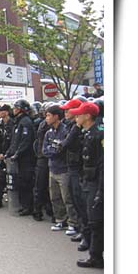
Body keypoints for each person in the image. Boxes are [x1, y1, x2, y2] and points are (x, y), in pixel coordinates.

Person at [69, 102, 104, 268]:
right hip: (89, 180)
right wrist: (76, 128)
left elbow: (104, 164)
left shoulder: (98, 133)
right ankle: (94, 253)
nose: (77, 116)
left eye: (79, 114)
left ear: (88, 116)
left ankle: (96, 257)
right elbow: (70, 145)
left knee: (96, 221)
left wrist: (101, 191)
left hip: (97, 182)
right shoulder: (87, 132)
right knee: (92, 218)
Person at [42, 105, 79, 234]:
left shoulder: (65, 130)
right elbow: (45, 150)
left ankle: (72, 223)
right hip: (52, 168)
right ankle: (60, 220)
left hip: (64, 169)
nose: (46, 118)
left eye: (48, 115)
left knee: (67, 198)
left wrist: (55, 150)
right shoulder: (49, 132)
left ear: (56, 116)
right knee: (55, 197)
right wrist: (53, 150)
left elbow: (62, 149)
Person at [60, 98, 89, 247]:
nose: (66, 113)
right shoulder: (71, 126)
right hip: (71, 166)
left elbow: (67, 143)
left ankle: (87, 236)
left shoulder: (81, 128)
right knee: (76, 201)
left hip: (80, 169)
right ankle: (82, 230)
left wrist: (77, 127)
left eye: (69, 110)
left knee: (82, 203)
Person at [5, 99, 36, 215]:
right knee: (21, 182)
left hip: (26, 158)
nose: (14, 110)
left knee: (26, 183)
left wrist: (18, 153)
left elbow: (25, 141)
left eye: (16, 108)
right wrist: (9, 152)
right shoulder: (17, 122)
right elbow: (15, 141)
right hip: (18, 158)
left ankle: (28, 207)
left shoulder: (25, 122)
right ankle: (23, 205)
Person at [32, 103, 54, 221]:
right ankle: (38, 210)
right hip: (42, 158)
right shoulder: (42, 124)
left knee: (51, 188)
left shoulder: (60, 127)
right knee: (40, 185)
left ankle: (52, 211)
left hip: (51, 159)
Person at [0, 104, 14, 209]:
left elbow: (14, 141)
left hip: (10, 155)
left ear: (6, 112)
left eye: (1, 111)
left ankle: (13, 199)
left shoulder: (13, 124)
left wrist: (7, 154)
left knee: (12, 179)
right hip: (0, 156)